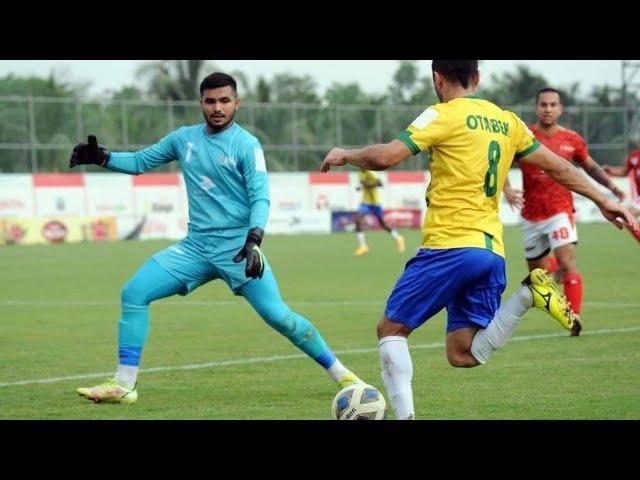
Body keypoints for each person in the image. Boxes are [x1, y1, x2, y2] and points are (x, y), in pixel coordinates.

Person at [321, 60, 637, 420]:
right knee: (464, 353)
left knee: (390, 329)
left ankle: (405, 417)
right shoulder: (508, 121)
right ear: (478, 78)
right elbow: (559, 168)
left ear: (437, 79)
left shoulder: (441, 114)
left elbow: (384, 156)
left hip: (449, 246)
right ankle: (525, 296)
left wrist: (345, 154)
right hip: (490, 251)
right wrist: (606, 201)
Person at [71, 72, 362, 406]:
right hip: (194, 248)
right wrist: (103, 158)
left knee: (279, 317)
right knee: (134, 293)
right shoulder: (184, 139)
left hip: (239, 251)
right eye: (210, 101)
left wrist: (254, 240)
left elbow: (260, 197)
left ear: (237, 103)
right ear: (201, 103)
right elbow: (140, 161)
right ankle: (123, 385)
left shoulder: (247, 145)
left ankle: (342, 374)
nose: (218, 107)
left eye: (225, 101)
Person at [503, 88, 625, 337]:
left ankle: (573, 317)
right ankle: (555, 267)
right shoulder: (524, 136)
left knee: (570, 263)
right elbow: (502, 161)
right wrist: (506, 188)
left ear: (560, 109)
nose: (548, 109)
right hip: (530, 215)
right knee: (537, 277)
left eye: (553, 105)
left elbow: (589, 166)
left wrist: (611, 186)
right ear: (536, 108)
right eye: (543, 104)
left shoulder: (571, 139)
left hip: (560, 211)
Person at [353, 167, 405, 256]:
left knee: (383, 224)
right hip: (365, 202)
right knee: (358, 220)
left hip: (375, 203)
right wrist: (365, 185)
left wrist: (369, 184)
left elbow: (380, 183)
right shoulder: (360, 173)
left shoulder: (371, 173)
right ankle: (363, 246)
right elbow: (364, 183)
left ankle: (399, 238)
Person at [603, 143, 640, 243]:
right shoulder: (634, 156)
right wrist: (611, 171)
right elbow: (624, 172)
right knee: (628, 220)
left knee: (629, 219)